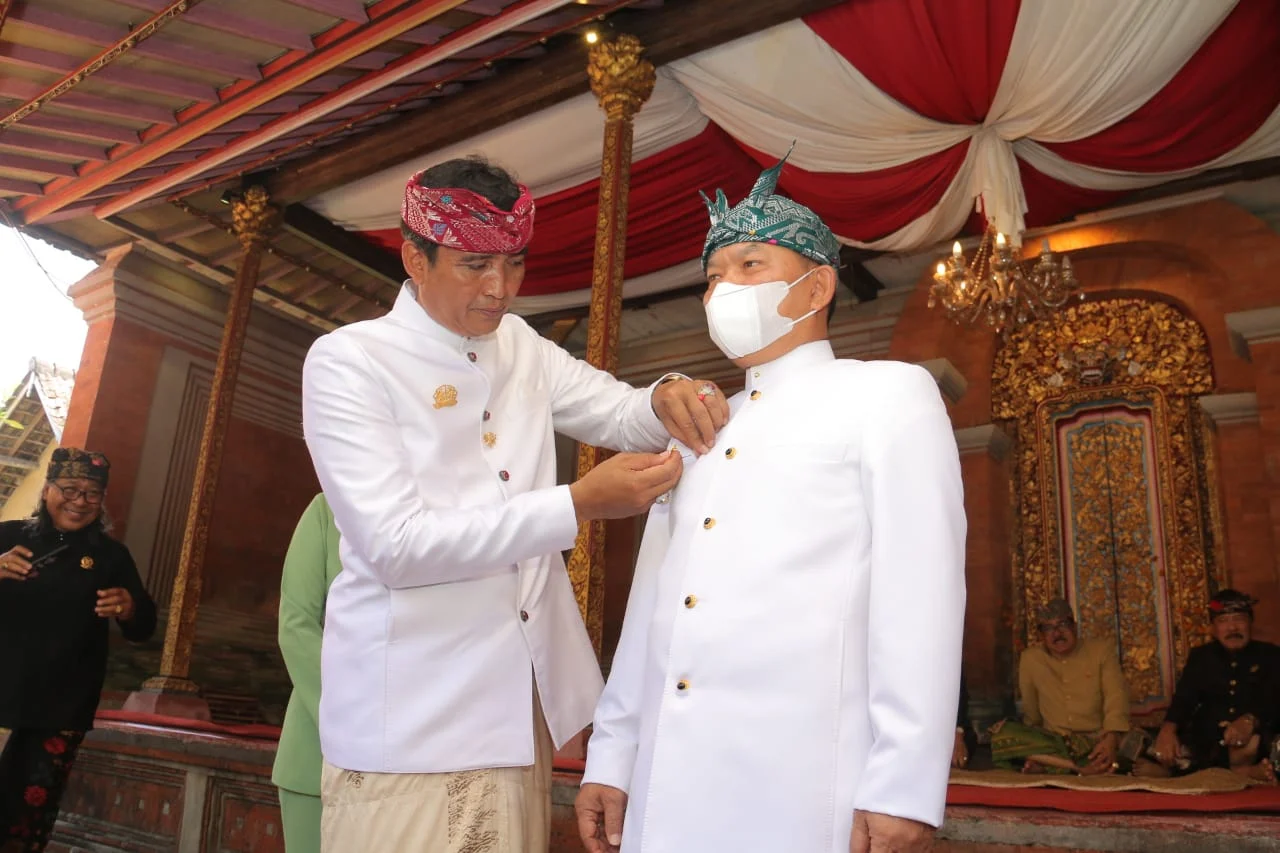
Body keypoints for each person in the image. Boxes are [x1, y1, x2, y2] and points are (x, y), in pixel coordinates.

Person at [301, 156, 726, 853]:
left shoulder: (520, 344)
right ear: (414, 258)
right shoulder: (350, 361)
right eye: (474, 265)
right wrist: (575, 504)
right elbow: (395, 546)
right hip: (411, 720)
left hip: (520, 711)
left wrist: (667, 395)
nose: (500, 289)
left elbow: (618, 411)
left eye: (515, 264)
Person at [575, 150, 967, 853]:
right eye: (712, 277)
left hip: (801, 783)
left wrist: (903, 786)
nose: (723, 288)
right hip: (668, 785)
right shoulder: (702, 422)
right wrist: (612, 753)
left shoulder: (886, 395)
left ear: (817, 287)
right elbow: (654, 608)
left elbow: (922, 598)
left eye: (750, 265)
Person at [0, 448, 156, 852]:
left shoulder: (111, 556)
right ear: (47, 489)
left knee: (29, 815)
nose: (80, 501)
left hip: (62, 706)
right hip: (4, 692)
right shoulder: (7, 536)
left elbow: (143, 628)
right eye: (69, 489)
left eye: (92, 493)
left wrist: (130, 608)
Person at [991, 599, 1147, 776]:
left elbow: (1116, 698)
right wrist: (1032, 738)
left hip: (1097, 740)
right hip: (1057, 740)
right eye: (1048, 628)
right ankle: (1078, 768)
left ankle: (1050, 766)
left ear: (1075, 626)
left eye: (1063, 624)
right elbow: (1031, 712)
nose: (1057, 633)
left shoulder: (1101, 650)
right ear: (1041, 635)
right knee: (1001, 734)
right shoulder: (1031, 658)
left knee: (1134, 743)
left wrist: (1111, 738)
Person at [272, 493, 343, 852]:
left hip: (421, 761)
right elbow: (296, 625)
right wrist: (352, 715)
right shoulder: (327, 510)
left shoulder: (449, 516)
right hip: (315, 756)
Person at [1153, 589, 1279, 783]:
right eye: (1223, 621)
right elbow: (1184, 699)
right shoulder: (1201, 657)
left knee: (1256, 743)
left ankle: (1233, 771)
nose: (1232, 628)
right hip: (1211, 739)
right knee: (1156, 752)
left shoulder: (1270, 655)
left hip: (1259, 735)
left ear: (1250, 623)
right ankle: (1241, 772)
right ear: (1213, 628)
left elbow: (1275, 699)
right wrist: (1168, 729)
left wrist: (1251, 720)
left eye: (1239, 619)